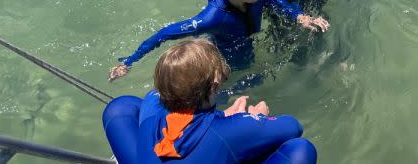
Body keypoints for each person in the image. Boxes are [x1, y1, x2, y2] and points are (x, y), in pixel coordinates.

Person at [108, 0, 329, 82]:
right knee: (252, 79)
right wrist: (128, 62)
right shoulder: (211, 18)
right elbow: (165, 33)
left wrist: (300, 16)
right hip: (228, 53)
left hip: (246, 39)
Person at [102, 39, 318, 164]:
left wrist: (224, 117)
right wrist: (256, 118)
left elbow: (178, 119)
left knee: (119, 107)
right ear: (214, 87)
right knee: (301, 150)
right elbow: (293, 127)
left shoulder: (152, 105)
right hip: (227, 135)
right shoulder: (235, 130)